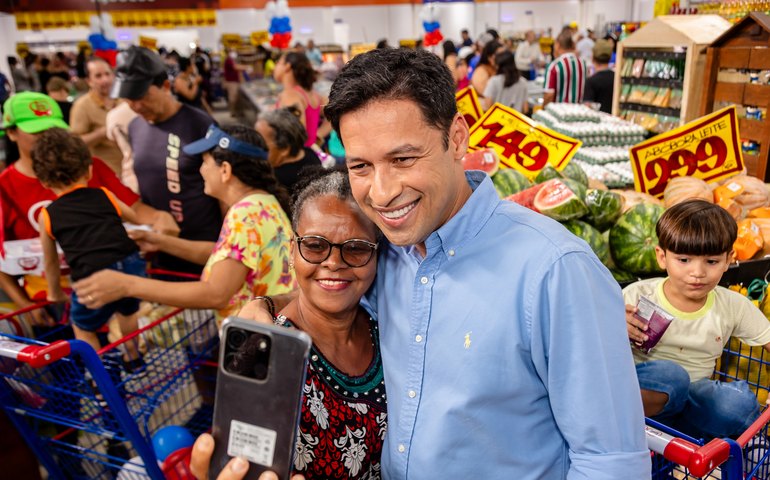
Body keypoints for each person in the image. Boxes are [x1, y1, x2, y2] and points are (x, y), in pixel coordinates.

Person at [193, 47, 649, 480]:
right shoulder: (387, 251)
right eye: (361, 167)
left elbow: (609, 460)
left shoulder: (555, 270)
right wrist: (265, 307)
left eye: (403, 158)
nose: (382, 191)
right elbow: (329, 282)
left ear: (456, 139)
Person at [191, 167, 386, 480]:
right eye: (315, 245)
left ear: (377, 256)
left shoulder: (385, 326)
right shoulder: (263, 354)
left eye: (356, 248)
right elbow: (242, 464)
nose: (333, 262)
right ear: (292, 250)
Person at [73, 125, 295, 325]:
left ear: (225, 170)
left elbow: (216, 294)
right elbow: (230, 259)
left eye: (205, 162)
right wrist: (161, 241)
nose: (201, 170)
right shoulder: (264, 203)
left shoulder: (244, 214)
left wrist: (127, 285)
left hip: (254, 338)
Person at [0, 91, 177, 328]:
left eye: (52, 129)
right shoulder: (5, 187)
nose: (47, 138)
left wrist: (159, 217)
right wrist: (24, 305)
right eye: (36, 131)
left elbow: (135, 209)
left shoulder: (87, 167)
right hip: (49, 303)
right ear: (11, 133)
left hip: (112, 285)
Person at [624, 200, 770, 440]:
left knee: (738, 402)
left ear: (727, 260)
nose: (697, 273)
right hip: (647, 402)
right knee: (672, 376)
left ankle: (747, 447)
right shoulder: (637, 296)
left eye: (711, 262)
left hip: (694, 410)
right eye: (684, 260)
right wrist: (615, 327)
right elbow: (594, 344)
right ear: (662, 257)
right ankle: (631, 431)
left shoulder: (733, 305)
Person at [32, 128, 145, 361]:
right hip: (130, 264)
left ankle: (98, 376)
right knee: (127, 309)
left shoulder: (48, 215)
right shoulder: (105, 195)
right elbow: (135, 219)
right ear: (89, 169)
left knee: (83, 326)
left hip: (92, 277)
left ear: (43, 181)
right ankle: (133, 356)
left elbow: (51, 261)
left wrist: (54, 293)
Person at [115, 46, 221, 275]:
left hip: (205, 251)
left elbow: (227, 189)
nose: (137, 106)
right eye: (129, 99)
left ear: (165, 86)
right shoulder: (134, 127)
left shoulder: (199, 124)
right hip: (160, 251)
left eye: (143, 97)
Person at [69, 56, 123, 175]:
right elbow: (75, 144)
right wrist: (103, 132)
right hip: (105, 175)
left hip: (130, 171)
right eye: (98, 76)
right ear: (89, 81)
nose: (105, 80)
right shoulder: (82, 106)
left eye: (108, 74)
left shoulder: (123, 100)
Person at [255, 107, 321, 193]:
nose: (254, 145)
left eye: (260, 142)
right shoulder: (307, 152)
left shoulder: (277, 182)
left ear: (284, 149)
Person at [273, 51, 329, 148]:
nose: (275, 67)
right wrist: (317, 136)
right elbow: (334, 113)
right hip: (309, 154)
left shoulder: (290, 96)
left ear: (287, 66)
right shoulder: (313, 95)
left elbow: (294, 136)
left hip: (295, 159)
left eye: (278, 63)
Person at [544, 30, 587, 104]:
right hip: (579, 111)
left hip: (558, 112)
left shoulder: (555, 66)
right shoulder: (583, 63)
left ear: (557, 45)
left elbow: (549, 95)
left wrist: (543, 108)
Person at [583, 39, 615, 114]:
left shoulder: (591, 81)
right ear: (610, 57)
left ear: (593, 57)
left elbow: (587, 109)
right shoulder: (616, 78)